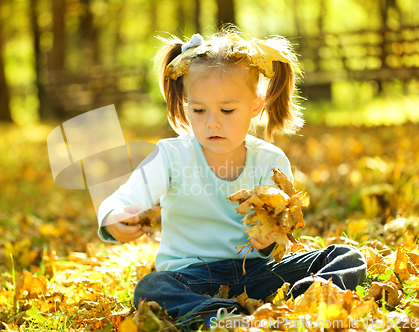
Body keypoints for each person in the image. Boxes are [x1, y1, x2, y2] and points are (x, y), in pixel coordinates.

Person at [97, 28, 366, 329]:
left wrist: (268, 242)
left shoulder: (271, 161)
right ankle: (222, 317)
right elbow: (128, 195)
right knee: (152, 287)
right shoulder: (171, 156)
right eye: (198, 110)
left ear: (255, 105)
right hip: (192, 276)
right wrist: (114, 216)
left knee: (347, 257)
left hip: (257, 273)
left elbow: (281, 231)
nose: (212, 121)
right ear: (186, 105)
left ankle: (305, 303)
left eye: (227, 109)